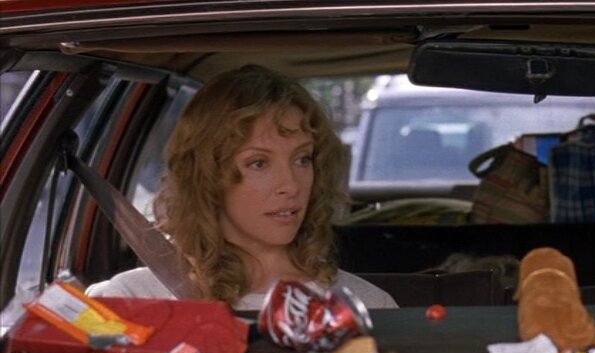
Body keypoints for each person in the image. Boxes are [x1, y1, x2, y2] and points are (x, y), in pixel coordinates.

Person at [87, 64, 397, 310]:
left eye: (302, 159)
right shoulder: (130, 300)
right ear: (207, 175)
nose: (291, 185)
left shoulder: (367, 305)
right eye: (259, 163)